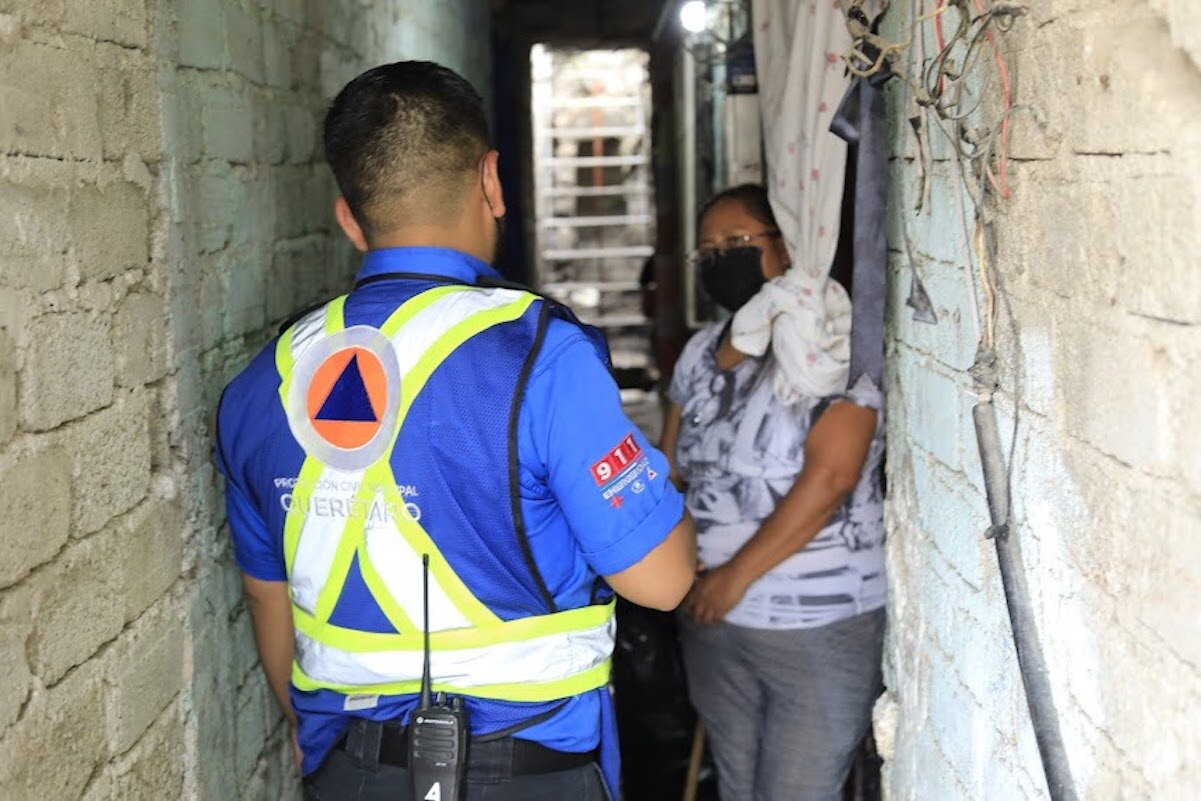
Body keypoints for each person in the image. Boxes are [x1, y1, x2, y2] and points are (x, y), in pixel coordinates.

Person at [215, 61, 696, 801]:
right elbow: (661, 582)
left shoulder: (261, 384)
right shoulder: (542, 356)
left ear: (348, 217)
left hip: (352, 770)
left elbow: (266, 597)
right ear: (492, 181)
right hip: (531, 772)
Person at [660, 184, 885, 801]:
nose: (719, 258)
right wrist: (681, 569)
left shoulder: (835, 345)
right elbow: (672, 468)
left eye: (737, 242)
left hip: (814, 625)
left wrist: (731, 580)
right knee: (738, 787)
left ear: (787, 247)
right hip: (712, 624)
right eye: (707, 249)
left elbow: (832, 478)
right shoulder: (700, 352)